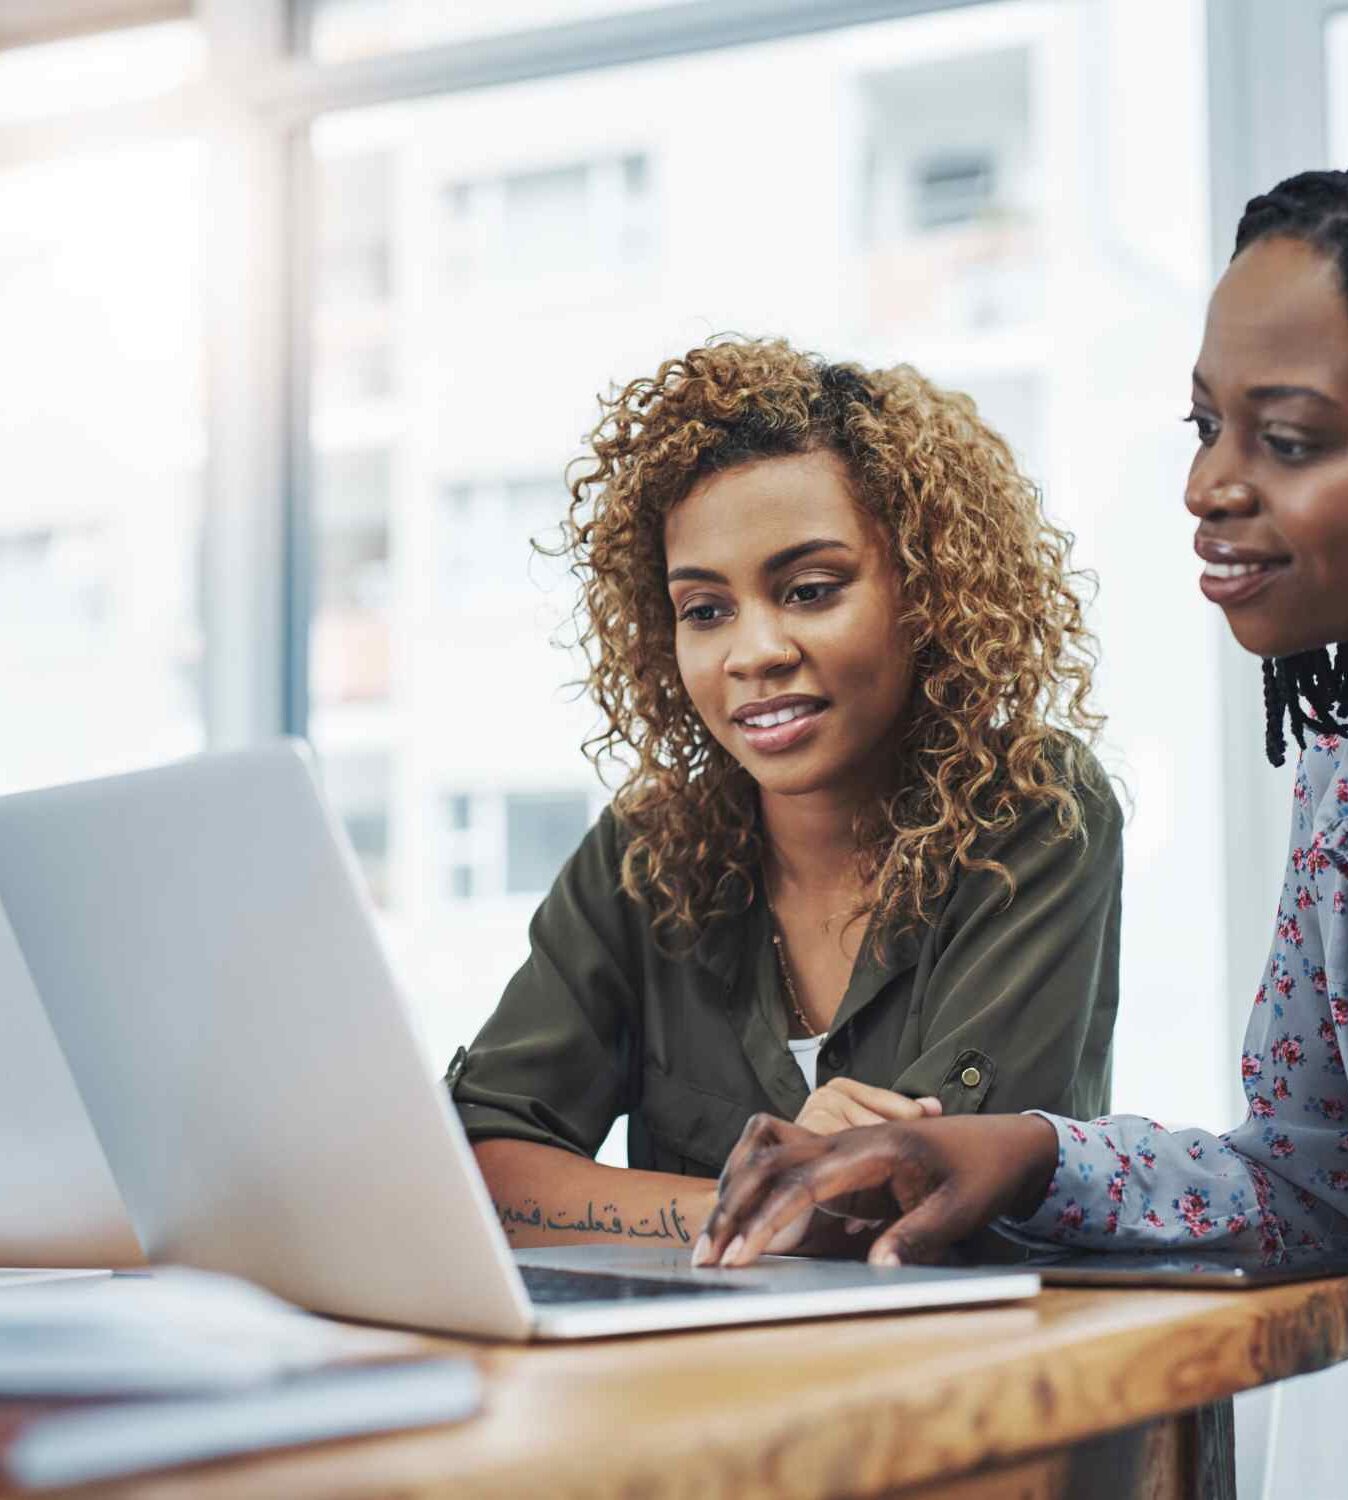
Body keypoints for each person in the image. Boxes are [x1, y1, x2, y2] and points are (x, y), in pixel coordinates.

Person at [696, 153, 1348, 1498]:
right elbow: (1305, 1187)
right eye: (1207, 429)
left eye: (1288, 440)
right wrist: (1016, 1159)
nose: (1211, 488)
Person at [446, 337, 1123, 1254]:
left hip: (966, 1377)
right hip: (701, 1382)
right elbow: (479, 1168)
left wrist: (805, 1196)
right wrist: (757, 1204)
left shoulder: (1033, 812)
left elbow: (918, 1198)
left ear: (927, 593)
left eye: (808, 590)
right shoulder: (644, 853)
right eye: (705, 610)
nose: (751, 651)